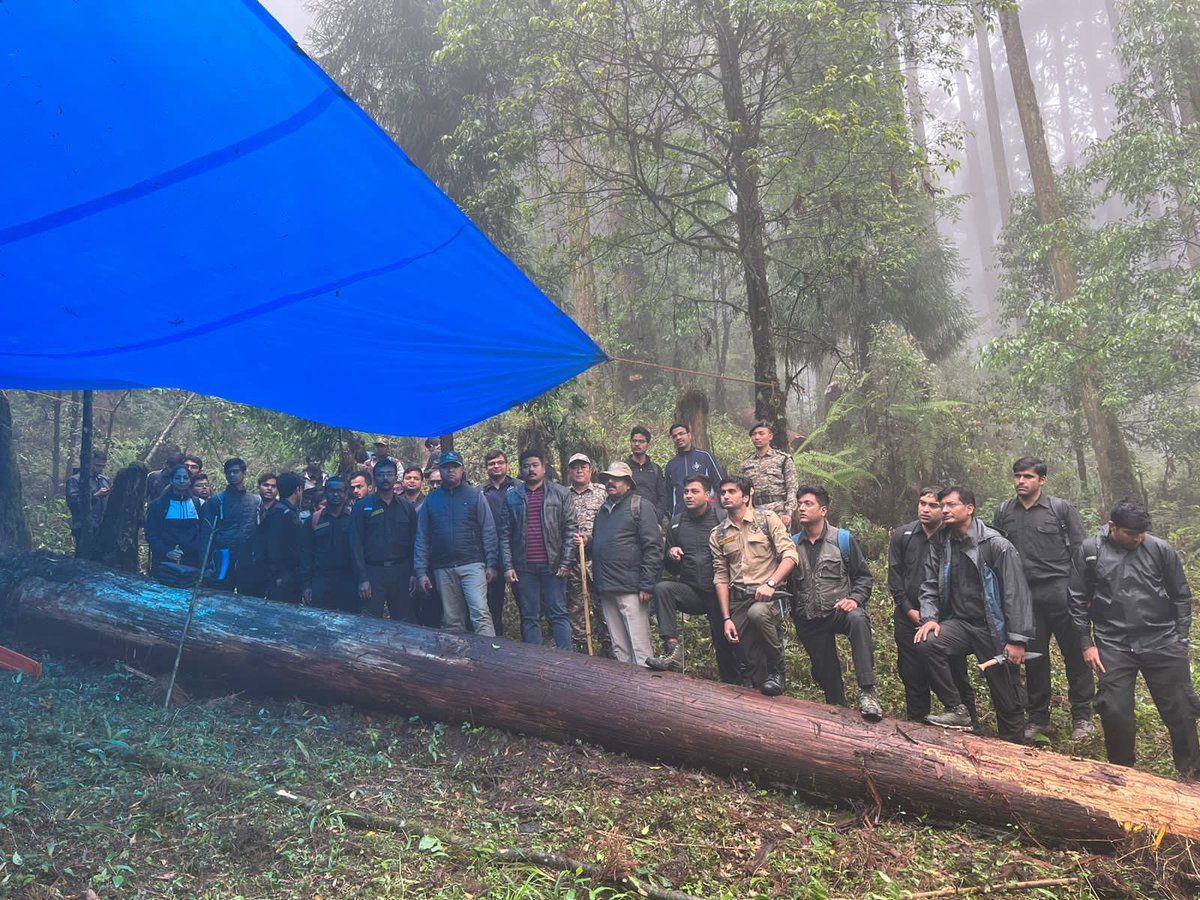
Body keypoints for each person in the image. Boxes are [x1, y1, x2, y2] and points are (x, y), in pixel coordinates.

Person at [1069, 500, 1200, 778]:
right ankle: (1122, 774)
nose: (1138, 539)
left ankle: (1192, 774)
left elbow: (1180, 595)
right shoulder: (1091, 551)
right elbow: (1077, 598)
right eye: (1131, 534)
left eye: (1142, 533)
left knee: (1181, 708)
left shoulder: (1160, 549)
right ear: (1112, 527)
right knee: (1114, 709)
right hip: (1113, 642)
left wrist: (1180, 637)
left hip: (1161, 638)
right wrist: (1086, 643)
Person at [916, 486, 1033, 744]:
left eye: (951, 505)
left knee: (1007, 698)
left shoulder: (995, 545)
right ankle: (958, 710)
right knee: (928, 643)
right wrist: (930, 618)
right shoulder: (941, 543)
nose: (944, 510)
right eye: (942, 505)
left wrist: (1017, 639)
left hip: (994, 629)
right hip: (960, 624)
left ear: (969, 509)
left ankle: (1014, 752)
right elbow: (929, 585)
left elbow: (1016, 593)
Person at [993, 456, 1094, 741]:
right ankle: (1039, 718)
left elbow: (1080, 553)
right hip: (1025, 599)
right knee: (1035, 659)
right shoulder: (1004, 512)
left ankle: (1083, 717)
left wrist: (1084, 594)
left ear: (1042, 480)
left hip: (1062, 594)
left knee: (1075, 656)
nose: (1021, 481)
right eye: (1017, 476)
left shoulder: (1060, 510)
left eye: (1027, 476)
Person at [791, 484, 882, 721]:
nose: (801, 508)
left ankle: (867, 691)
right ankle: (839, 712)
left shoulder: (842, 539)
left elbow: (863, 576)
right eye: (799, 503)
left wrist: (854, 599)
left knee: (858, 618)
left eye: (808, 504)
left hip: (837, 611)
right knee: (826, 674)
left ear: (823, 510)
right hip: (809, 618)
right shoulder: (791, 545)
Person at [888, 488, 977, 725]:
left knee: (956, 672)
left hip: (945, 619)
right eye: (922, 504)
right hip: (908, 616)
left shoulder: (951, 537)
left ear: (945, 509)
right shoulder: (902, 535)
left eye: (933, 505)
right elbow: (895, 579)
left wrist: (933, 616)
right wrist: (910, 611)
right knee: (912, 674)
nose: (925, 509)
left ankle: (970, 723)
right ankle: (918, 725)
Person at [646, 475, 741, 683]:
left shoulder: (721, 518)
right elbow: (669, 566)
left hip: (720, 593)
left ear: (707, 495)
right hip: (692, 592)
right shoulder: (676, 523)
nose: (688, 495)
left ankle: (734, 685)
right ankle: (672, 651)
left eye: (694, 491)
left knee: (724, 644)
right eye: (686, 491)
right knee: (663, 589)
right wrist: (671, 553)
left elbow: (736, 553)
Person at [710, 475, 798, 695]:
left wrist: (770, 583)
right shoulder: (719, 533)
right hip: (739, 599)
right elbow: (721, 577)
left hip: (768, 596)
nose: (725, 496)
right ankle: (763, 695)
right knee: (750, 661)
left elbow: (790, 555)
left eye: (732, 491)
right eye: (723, 492)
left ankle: (778, 669)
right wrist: (726, 618)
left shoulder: (766, 520)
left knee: (757, 614)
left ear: (746, 496)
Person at [498, 449, 577, 650]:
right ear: (520, 470)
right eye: (526, 466)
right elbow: (504, 534)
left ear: (543, 467)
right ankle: (535, 663)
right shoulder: (512, 497)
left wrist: (566, 562)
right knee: (529, 615)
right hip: (524, 567)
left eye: (535, 465)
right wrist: (507, 566)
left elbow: (570, 530)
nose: (531, 470)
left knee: (558, 613)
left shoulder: (561, 493)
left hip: (554, 565)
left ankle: (566, 660)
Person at [414, 451, 499, 636]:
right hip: (443, 567)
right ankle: (458, 662)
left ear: (462, 469)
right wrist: (420, 571)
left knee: (480, 614)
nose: (450, 471)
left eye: (454, 466)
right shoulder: (432, 500)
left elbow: (488, 530)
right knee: (452, 620)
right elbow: (422, 537)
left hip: (472, 564)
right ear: (440, 471)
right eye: (446, 467)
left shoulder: (475, 495)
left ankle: (491, 660)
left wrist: (491, 563)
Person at [590, 463, 663, 667]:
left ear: (629, 484)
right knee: (619, 647)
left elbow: (653, 546)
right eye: (608, 479)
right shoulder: (602, 511)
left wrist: (647, 584)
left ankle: (647, 693)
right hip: (606, 587)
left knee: (640, 648)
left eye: (617, 478)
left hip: (631, 587)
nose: (610, 482)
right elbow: (600, 544)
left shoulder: (640, 506)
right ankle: (626, 693)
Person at [349, 457, 418, 621]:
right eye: (381, 475)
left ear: (396, 477)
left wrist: (414, 573)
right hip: (373, 573)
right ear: (375, 478)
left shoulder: (406, 507)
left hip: (400, 572)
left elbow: (415, 542)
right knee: (369, 622)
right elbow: (355, 544)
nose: (385, 478)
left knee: (404, 622)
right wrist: (362, 577)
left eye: (389, 474)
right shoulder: (362, 507)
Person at [564, 453, 609, 651]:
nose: (579, 470)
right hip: (573, 558)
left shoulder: (602, 492)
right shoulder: (563, 494)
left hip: (599, 558)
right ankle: (582, 643)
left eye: (583, 467)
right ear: (569, 472)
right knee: (576, 603)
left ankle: (608, 642)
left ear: (591, 470)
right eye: (575, 467)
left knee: (603, 602)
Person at [200, 458, 262, 593]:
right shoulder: (217, 500)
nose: (232, 475)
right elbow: (206, 534)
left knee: (248, 597)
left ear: (244, 473)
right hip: (223, 556)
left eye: (235, 472)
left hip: (247, 558)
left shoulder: (256, 501)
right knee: (220, 596)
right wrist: (205, 565)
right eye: (228, 473)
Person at [301, 476, 358, 613]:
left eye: (340, 491)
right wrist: (306, 585)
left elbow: (360, 552)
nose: (336, 494)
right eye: (332, 491)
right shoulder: (313, 520)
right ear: (326, 493)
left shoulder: (354, 519)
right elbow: (306, 554)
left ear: (345, 494)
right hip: (321, 581)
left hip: (348, 581)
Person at [481, 450, 518, 635]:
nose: (496, 466)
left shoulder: (519, 487)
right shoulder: (479, 492)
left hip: (518, 552)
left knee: (527, 604)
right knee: (492, 604)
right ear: (486, 468)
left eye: (500, 462)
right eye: (491, 463)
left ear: (507, 465)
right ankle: (497, 644)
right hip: (490, 553)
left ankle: (532, 648)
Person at [254, 471, 304, 604]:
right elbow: (273, 546)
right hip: (282, 578)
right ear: (298, 490)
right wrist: (278, 574)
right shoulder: (281, 513)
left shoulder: (284, 511)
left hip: (290, 576)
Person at [738, 421, 799, 528]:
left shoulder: (783, 459)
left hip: (778, 511)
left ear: (770, 436)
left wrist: (788, 513)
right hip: (754, 511)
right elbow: (741, 490)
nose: (757, 437)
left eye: (761, 434)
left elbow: (792, 488)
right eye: (754, 434)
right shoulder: (746, 463)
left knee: (780, 544)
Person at [144, 463, 203, 571]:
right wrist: (167, 551)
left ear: (190, 481)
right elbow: (151, 533)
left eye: (185, 478)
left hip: (192, 563)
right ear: (171, 480)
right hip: (163, 562)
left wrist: (191, 549)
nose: (181, 481)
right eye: (177, 478)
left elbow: (204, 533)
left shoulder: (199, 504)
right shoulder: (158, 505)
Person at [665, 423, 724, 516]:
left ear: (689, 435)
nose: (678, 437)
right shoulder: (671, 465)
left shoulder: (705, 457)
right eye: (675, 436)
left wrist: (720, 510)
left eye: (681, 433)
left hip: (707, 514)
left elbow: (720, 484)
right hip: (681, 516)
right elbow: (668, 494)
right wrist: (671, 514)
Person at [65, 449, 111, 553]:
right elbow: (74, 503)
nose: (100, 469)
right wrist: (96, 496)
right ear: (89, 463)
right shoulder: (75, 480)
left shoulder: (105, 480)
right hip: (83, 528)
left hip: (103, 528)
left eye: (103, 466)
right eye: (97, 465)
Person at [626, 426, 668, 520]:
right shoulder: (624, 468)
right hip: (628, 519)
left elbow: (662, 495)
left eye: (641, 441)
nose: (637, 444)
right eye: (634, 441)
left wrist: (657, 514)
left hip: (652, 518)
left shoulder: (655, 469)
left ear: (648, 445)